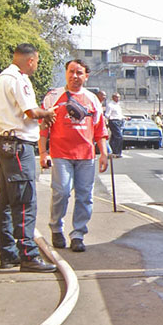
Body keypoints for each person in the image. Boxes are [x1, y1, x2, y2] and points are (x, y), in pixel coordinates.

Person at [0, 43, 57, 272]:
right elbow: (30, 111)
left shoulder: (1, 79)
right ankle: (28, 254)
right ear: (30, 60)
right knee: (25, 201)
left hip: (5, 144)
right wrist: (47, 113)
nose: (36, 66)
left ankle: (8, 253)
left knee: (7, 202)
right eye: (36, 61)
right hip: (18, 145)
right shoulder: (19, 79)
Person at [39, 59, 108, 253]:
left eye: (79, 73)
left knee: (85, 196)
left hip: (86, 156)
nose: (74, 76)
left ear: (86, 76)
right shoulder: (53, 97)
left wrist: (103, 153)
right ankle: (56, 228)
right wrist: (43, 152)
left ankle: (78, 234)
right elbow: (44, 127)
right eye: (71, 72)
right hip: (61, 154)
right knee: (61, 191)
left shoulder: (92, 99)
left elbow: (100, 130)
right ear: (66, 73)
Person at [104, 92, 125, 157]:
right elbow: (107, 114)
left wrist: (125, 117)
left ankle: (112, 151)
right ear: (113, 97)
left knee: (114, 137)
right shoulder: (110, 105)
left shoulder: (118, 105)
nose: (118, 98)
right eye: (116, 97)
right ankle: (117, 152)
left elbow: (119, 115)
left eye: (119, 97)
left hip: (119, 121)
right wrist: (106, 122)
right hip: (113, 121)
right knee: (119, 137)